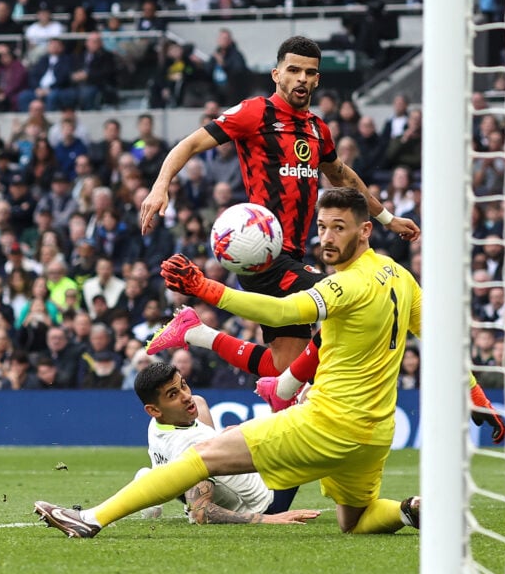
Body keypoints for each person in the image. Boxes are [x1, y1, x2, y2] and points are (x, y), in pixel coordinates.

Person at [34, 188, 422, 537]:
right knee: (354, 521)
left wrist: (207, 288)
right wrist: (478, 399)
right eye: (322, 226)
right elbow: (441, 339)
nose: (328, 237)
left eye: (339, 227)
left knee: (201, 457)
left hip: (331, 422)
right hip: (376, 433)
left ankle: (91, 519)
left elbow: (285, 311)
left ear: (365, 230)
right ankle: (411, 511)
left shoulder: (344, 284)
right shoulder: (401, 277)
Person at [140, 36, 419, 374]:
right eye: (294, 70)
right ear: (276, 74)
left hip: (294, 255)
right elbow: (190, 144)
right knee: (351, 296)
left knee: (283, 367)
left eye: (310, 72)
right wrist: (160, 186)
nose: (302, 78)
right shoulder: (254, 112)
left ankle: (195, 332)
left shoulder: (318, 130)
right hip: (262, 254)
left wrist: (388, 220)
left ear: (318, 79)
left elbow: (343, 176)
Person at [124, 362, 317, 525]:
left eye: (183, 385)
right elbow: (200, 513)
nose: (186, 396)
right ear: (154, 410)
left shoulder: (157, 424)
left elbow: (197, 405)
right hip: (267, 501)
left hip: (219, 472)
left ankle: (150, 480)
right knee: (310, 413)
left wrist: (224, 437)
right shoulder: (190, 446)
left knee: (200, 404)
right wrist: (267, 519)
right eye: (173, 395)